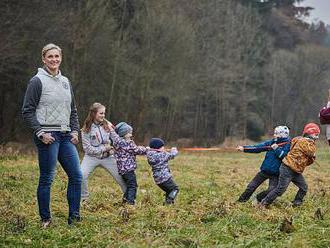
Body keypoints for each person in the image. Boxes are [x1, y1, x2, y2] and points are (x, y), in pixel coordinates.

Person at [22, 43, 82, 227]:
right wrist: (41, 133)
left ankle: (74, 218)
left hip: (65, 136)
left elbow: (72, 110)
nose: (54, 59)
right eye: (50, 57)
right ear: (43, 59)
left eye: (57, 56)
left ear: (61, 58)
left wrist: (75, 131)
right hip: (48, 136)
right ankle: (45, 219)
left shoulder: (66, 82)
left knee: (76, 176)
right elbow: (27, 111)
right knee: (47, 178)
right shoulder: (36, 81)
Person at [260, 123, 320, 208]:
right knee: (280, 189)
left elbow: (308, 160)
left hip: (296, 170)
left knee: (304, 187)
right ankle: (264, 202)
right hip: (287, 168)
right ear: (310, 133)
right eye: (316, 134)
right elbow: (311, 152)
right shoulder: (303, 142)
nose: (317, 137)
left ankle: (296, 203)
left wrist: (312, 157)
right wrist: (313, 152)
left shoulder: (305, 142)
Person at [80, 103, 126, 201]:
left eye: (104, 113)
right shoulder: (86, 129)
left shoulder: (108, 125)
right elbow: (87, 149)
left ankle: (128, 198)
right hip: (91, 157)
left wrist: (124, 144)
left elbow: (116, 139)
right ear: (93, 114)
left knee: (121, 177)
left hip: (108, 157)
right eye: (101, 113)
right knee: (81, 175)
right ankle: (84, 199)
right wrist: (104, 148)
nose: (103, 115)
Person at [237, 126, 291, 203]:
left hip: (276, 174)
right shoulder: (271, 142)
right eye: (274, 133)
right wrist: (244, 148)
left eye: (276, 133)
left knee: (271, 190)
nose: (274, 135)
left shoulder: (288, 145)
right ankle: (240, 202)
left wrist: (276, 149)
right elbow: (257, 147)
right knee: (251, 187)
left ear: (282, 135)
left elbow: (284, 157)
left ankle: (258, 199)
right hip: (264, 171)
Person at [107, 122, 148, 205]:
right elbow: (137, 150)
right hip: (128, 169)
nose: (131, 134)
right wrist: (147, 149)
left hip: (122, 170)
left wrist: (110, 127)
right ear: (123, 134)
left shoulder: (117, 141)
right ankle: (130, 203)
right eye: (129, 132)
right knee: (133, 186)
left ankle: (125, 200)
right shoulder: (128, 143)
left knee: (129, 186)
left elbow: (113, 134)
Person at [146, 138, 179, 204]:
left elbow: (149, 150)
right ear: (158, 148)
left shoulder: (149, 154)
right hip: (165, 178)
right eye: (162, 146)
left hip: (157, 179)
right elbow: (172, 155)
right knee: (175, 189)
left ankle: (168, 205)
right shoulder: (162, 155)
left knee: (169, 190)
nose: (163, 148)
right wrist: (174, 150)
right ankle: (169, 201)